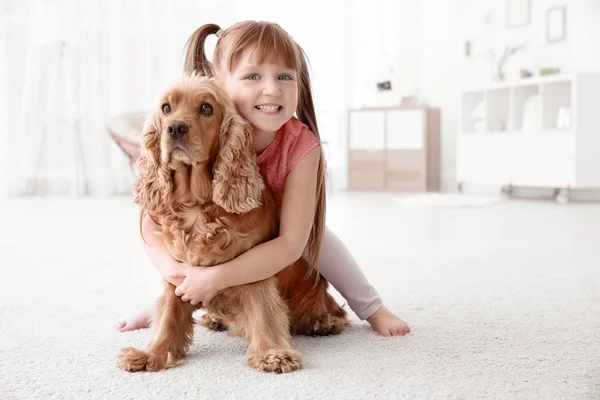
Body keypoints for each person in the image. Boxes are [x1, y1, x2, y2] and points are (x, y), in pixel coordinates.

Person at [115, 21, 410, 337]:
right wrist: (174, 273)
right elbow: (152, 221)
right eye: (253, 76)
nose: (272, 89)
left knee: (317, 238)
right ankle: (174, 301)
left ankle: (372, 307)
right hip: (222, 233)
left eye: (285, 76)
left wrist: (216, 279)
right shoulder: (204, 127)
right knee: (188, 229)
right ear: (218, 83)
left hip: (280, 234)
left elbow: (290, 244)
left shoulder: (300, 145)